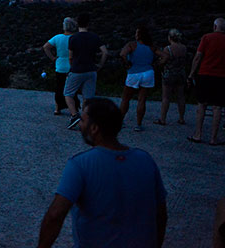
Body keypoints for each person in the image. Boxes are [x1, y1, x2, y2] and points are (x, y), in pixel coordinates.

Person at [38, 98, 168, 248]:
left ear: (94, 128)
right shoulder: (146, 160)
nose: (80, 124)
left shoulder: (80, 165)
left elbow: (55, 215)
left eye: (82, 120)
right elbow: (161, 214)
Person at [63, 13, 108, 129]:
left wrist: (72, 67)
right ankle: (85, 120)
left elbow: (70, 57)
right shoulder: (94, 37)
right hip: (91, 70)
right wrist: (100, 65)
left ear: (77, 24)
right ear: (89, 24)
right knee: (88, 98)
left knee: (68, 94)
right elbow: (105, 52)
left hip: (77, 70)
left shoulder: (73, 38)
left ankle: (74, 115)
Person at [119, 25, 165, 132]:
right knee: (142, 99)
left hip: (134, 72)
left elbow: (122, 54)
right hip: (148, 73)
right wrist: (157, 64)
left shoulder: (132, 45)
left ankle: (120, 122)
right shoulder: (152, 47)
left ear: (139, 35)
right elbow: (165, 56)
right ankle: (138, 125)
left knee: (126, 98)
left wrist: (127, 63)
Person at [188, 17, 225, 145]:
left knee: (202, 104)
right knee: (217, 107)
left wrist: (192, 73)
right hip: (221, 76)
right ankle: (213, 138)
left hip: (204, 74)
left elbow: (198, 57)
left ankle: (198, 134)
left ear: (214, 27)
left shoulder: (206, 38)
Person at [43, 17, 78, 115]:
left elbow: (45, 47)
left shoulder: (57, 37)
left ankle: (57, 108)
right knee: (72, 89)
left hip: (60, 66)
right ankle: (73, 109)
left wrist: (53, 58)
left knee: (59, 87)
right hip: (73, 66)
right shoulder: (76, 38)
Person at [155, 29, 187, 125]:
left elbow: (163, 61)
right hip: (180, 73)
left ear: (170, 37)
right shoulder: (184, 48)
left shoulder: (167, 49)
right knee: (181, 96)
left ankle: (163, 119)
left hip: (169, 74)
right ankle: (181, 118)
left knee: (166, 97)